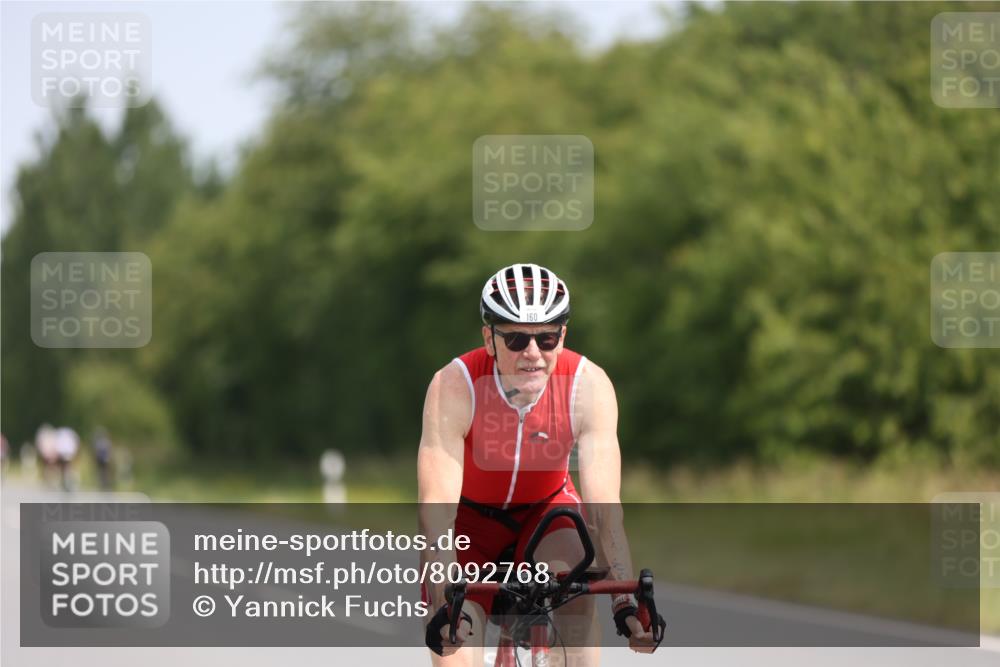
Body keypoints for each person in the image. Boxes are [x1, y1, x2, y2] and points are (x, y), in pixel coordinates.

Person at [418, 263, 662, 667]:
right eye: (515, 339)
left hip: (547, 512)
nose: (533, 354)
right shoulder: (453, 385)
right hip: (469, 526)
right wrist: (445, 600)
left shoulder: (589, 386)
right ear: (489, 338)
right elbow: (437, 511)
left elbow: (604, 509)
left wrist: (624, 601)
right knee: (454, 647)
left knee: (576, 598)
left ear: (562, 337)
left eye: (546, 338)